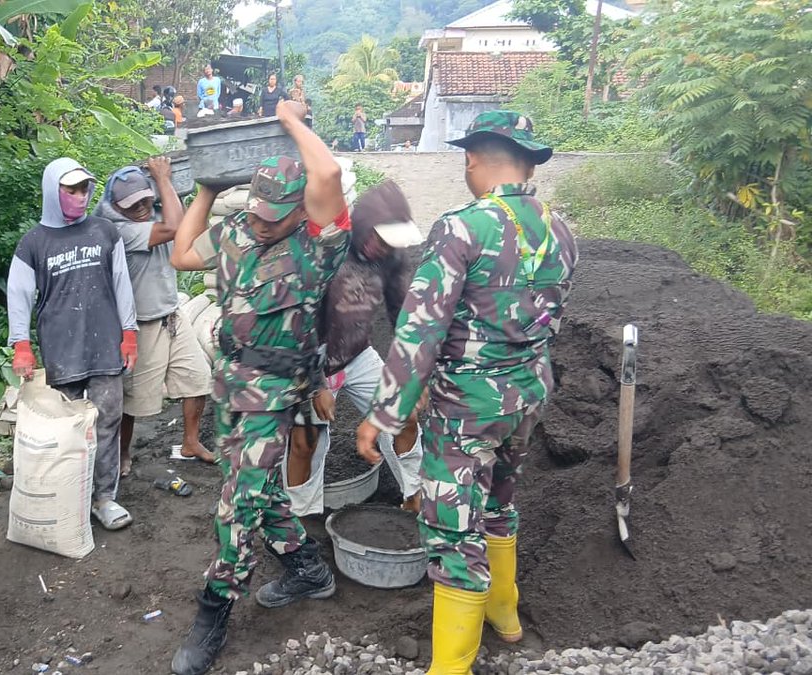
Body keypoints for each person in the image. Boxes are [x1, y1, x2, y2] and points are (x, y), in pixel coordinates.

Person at [356, 111, 578, 674]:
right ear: (528, 163)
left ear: (473, 158)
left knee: (453, 531)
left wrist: (384, 414)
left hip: (467, 410)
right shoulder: (560, 227)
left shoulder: (463, 227)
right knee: (501, 502)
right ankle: (506, 616)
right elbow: (551, 316)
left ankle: (450, 668)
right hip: (526, 395)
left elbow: (421, 329)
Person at [168, 100, 350, 675]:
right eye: (256, 209)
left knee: (237, 505)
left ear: (302, 212)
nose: (261, 221)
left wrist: (290, 118)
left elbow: (327, 175)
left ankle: (213, 611)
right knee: (250, 488)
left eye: (275, 214)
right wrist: (206, 189)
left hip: (276, 391)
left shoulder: (319, 246)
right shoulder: (236, 231)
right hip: (230, 381)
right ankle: (307, 568)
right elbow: (180, 254)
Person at [7, 158, 140, 531]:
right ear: (53, 191)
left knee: (107, 422)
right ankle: (69, 497)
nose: (80, 198)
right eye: (71, 190)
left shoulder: (104, 232)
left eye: (84, 190)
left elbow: (121, 284)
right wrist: (21, 344)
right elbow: (19, 295)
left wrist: (129, 333)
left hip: (105, 348)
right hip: (61, 350)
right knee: (64, 430)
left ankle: (104, 499)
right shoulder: (34, 242)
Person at [285, 180, 427, 517]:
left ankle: (414, 496)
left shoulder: (391, 259)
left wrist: (412, 373)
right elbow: (299, 324)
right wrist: (318, 383)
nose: (383, 247)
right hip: (309, 358)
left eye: (390, 242)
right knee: (306, 442)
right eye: (379, 238)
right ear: (364, 225)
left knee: (405, 415)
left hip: (357, 354)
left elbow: (402, 315)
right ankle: (300, 519)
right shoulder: (326, 250)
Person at [92, 157, 216, 477]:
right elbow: (177, 228)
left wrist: (163, 188)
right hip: (141, 327)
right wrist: (163, 179)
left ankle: (190, 442)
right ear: (115, 206)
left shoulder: (156, 212)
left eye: (146, 200)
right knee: (133, 401)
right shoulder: (119, 231)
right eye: (132, 204)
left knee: (198, 379)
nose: (142, 208)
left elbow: (187, 227)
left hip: (172, 316)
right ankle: (121, 454)